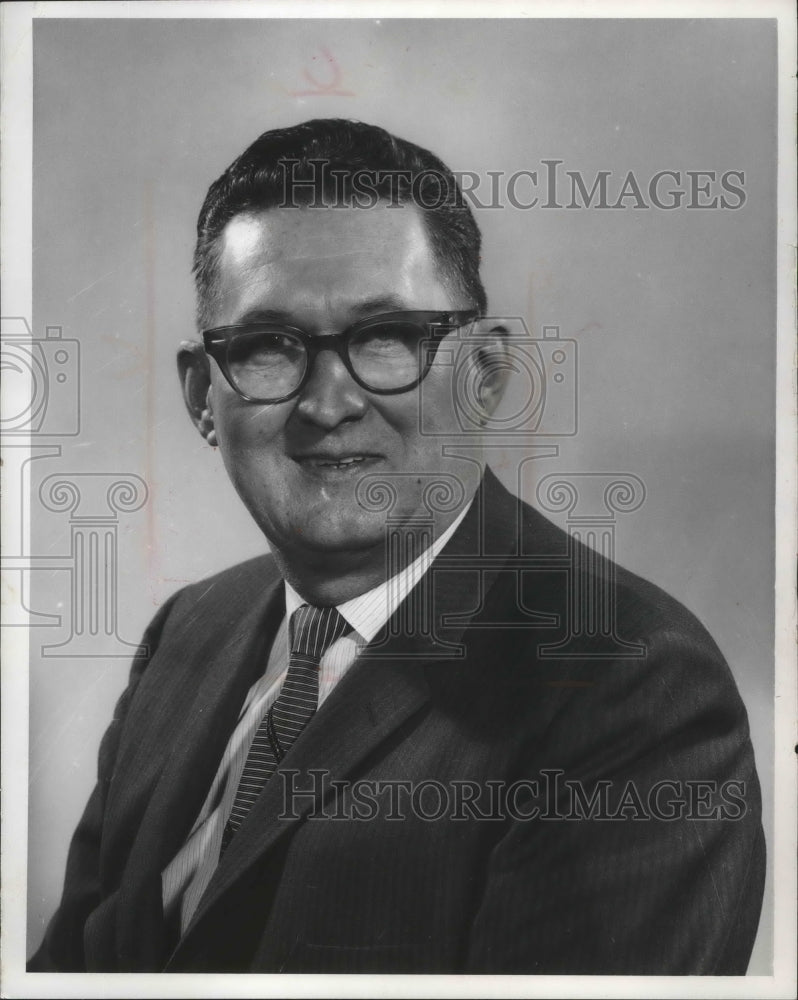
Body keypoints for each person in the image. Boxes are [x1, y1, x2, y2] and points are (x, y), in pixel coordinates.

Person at [29, 118, 765, 974]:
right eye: (269, 347)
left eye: (387, 338)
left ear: (485, 374)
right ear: (203, 396)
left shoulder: (632, 689)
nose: (327, 404)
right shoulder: (187, 632)